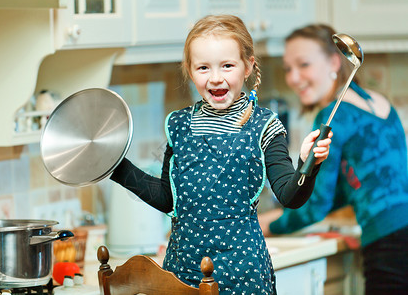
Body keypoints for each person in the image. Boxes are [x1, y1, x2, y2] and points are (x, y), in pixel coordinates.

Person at [110, 15, 332, 294]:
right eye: (203, 67)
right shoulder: (178, 125)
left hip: (242, 276)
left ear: (248, 66)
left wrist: (307, 164)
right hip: (183, 273)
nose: (216, 78)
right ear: (189, 70)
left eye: (227, 65)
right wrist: (116, 166)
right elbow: (168, 198)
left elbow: (291, 196)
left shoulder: (265, 125)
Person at [259, 24, 408, 295]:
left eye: (303, 65)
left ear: (334, 61)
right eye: (288, 69)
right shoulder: (380, 102)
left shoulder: (332, 116)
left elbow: (316, 205)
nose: (293, 78)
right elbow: (352, 186)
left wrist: (269, 225)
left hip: (389, 244)